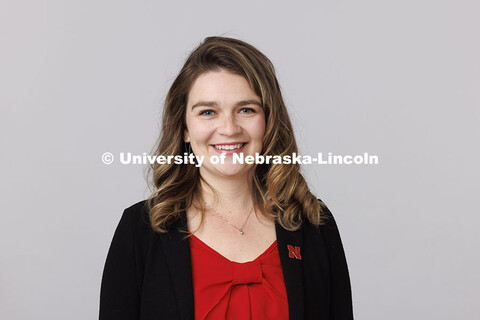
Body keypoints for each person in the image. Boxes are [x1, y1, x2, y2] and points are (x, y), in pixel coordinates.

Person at [99, 36, 354, 320]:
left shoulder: (314, 224)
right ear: (184, 128)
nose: (229, 129)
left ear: (268, 121)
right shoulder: (140, 231)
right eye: (208, 112)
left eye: (246, 109)